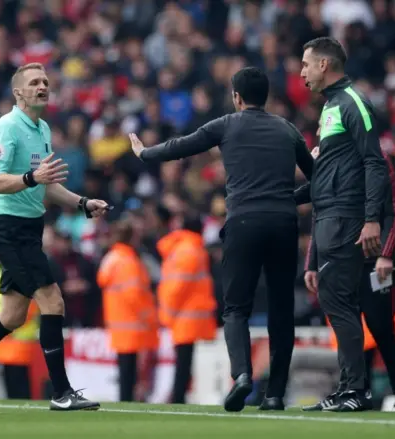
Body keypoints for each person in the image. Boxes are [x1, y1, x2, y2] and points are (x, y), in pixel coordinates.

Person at [129, 66, 314, 412]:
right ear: (267, 97)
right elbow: (317, 181)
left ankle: (242, 375)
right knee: (281, 308)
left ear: (236, 97)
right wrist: (291, 198)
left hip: (243, 221)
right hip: (284, 223)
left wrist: (145, 153)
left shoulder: (226, 124)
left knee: (235, 309)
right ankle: (274, 394)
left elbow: (180, 147)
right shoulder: (287, 129)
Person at [0, 62, 110, 412]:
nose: (42, 86)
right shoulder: (6, 128)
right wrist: (31, 178)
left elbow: (47, 183)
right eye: (34, 82)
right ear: (18, 92)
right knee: (53, 301)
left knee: (12, 316)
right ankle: (61, 392)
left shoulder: (42, 127)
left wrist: (83, 203)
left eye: (45, 81)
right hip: (8, 227)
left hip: (30, 225)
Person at [299, 36, 389, 411]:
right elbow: (325, 178)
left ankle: (355, 390)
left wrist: (371, 220)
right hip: (330, 220)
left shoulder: (353, 102)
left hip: (346, 218)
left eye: (306, 64)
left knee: (341, 305)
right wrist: (313, 255)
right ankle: (351, 389)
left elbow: (374, 162)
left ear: (324, 65)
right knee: (338, 303)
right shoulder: (331, 106)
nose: (301, 72)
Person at [295, 139, 395, 411]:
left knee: (381, 326)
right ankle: (351, 391)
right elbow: (320, 213)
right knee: (346, 325)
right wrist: (312, 262)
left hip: (375, 262)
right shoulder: (329, 159)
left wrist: (386, 253)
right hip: (339, 258)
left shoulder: (379, 158)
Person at [156, 213, 217, 404]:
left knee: (184, 359)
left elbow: (175, 285)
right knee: (184, 360)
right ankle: (178, 396)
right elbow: (179, 285)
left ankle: (178, 395)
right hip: (186, 315)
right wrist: (170, 312)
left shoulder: (183, 249)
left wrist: (168, 311)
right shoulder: (192, 250)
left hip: (183, 314)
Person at [96, 220, 159, 402]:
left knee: (125, 371)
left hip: (118, 323)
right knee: (129, 373)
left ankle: (125, 401)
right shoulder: (128, 261)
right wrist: (149, 316)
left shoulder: (111, 258)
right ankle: (127, 402)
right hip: (133, 323)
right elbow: (135, 295)